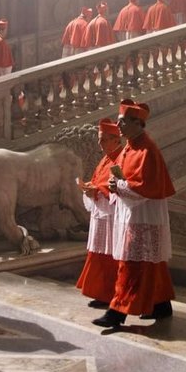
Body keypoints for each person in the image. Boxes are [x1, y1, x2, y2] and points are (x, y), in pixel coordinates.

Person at [92, 99, 176, 328]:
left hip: (143, 214)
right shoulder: (130, 146)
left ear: (137, 123)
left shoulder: (147, 148)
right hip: (132, 212)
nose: (118, 127)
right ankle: (161, 305)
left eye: (122, 122)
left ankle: (117, 312)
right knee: (150, 262)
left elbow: (145, 186)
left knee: (132, 263)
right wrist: (114, 184)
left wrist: (118, 186)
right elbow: (123, 177)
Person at [76, 118, 123, 308]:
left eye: (103, 139)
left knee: (111, 255)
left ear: (115, 140)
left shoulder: (121, 157)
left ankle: (109, 294)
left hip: (113, 214)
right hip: (101, 212)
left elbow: (119, 183)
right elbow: (99, 179)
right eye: (99, 139)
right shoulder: (106, 157)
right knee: (99, 253)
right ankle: (100, 292)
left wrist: (97, 189)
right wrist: (89, 186)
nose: (99, 144)